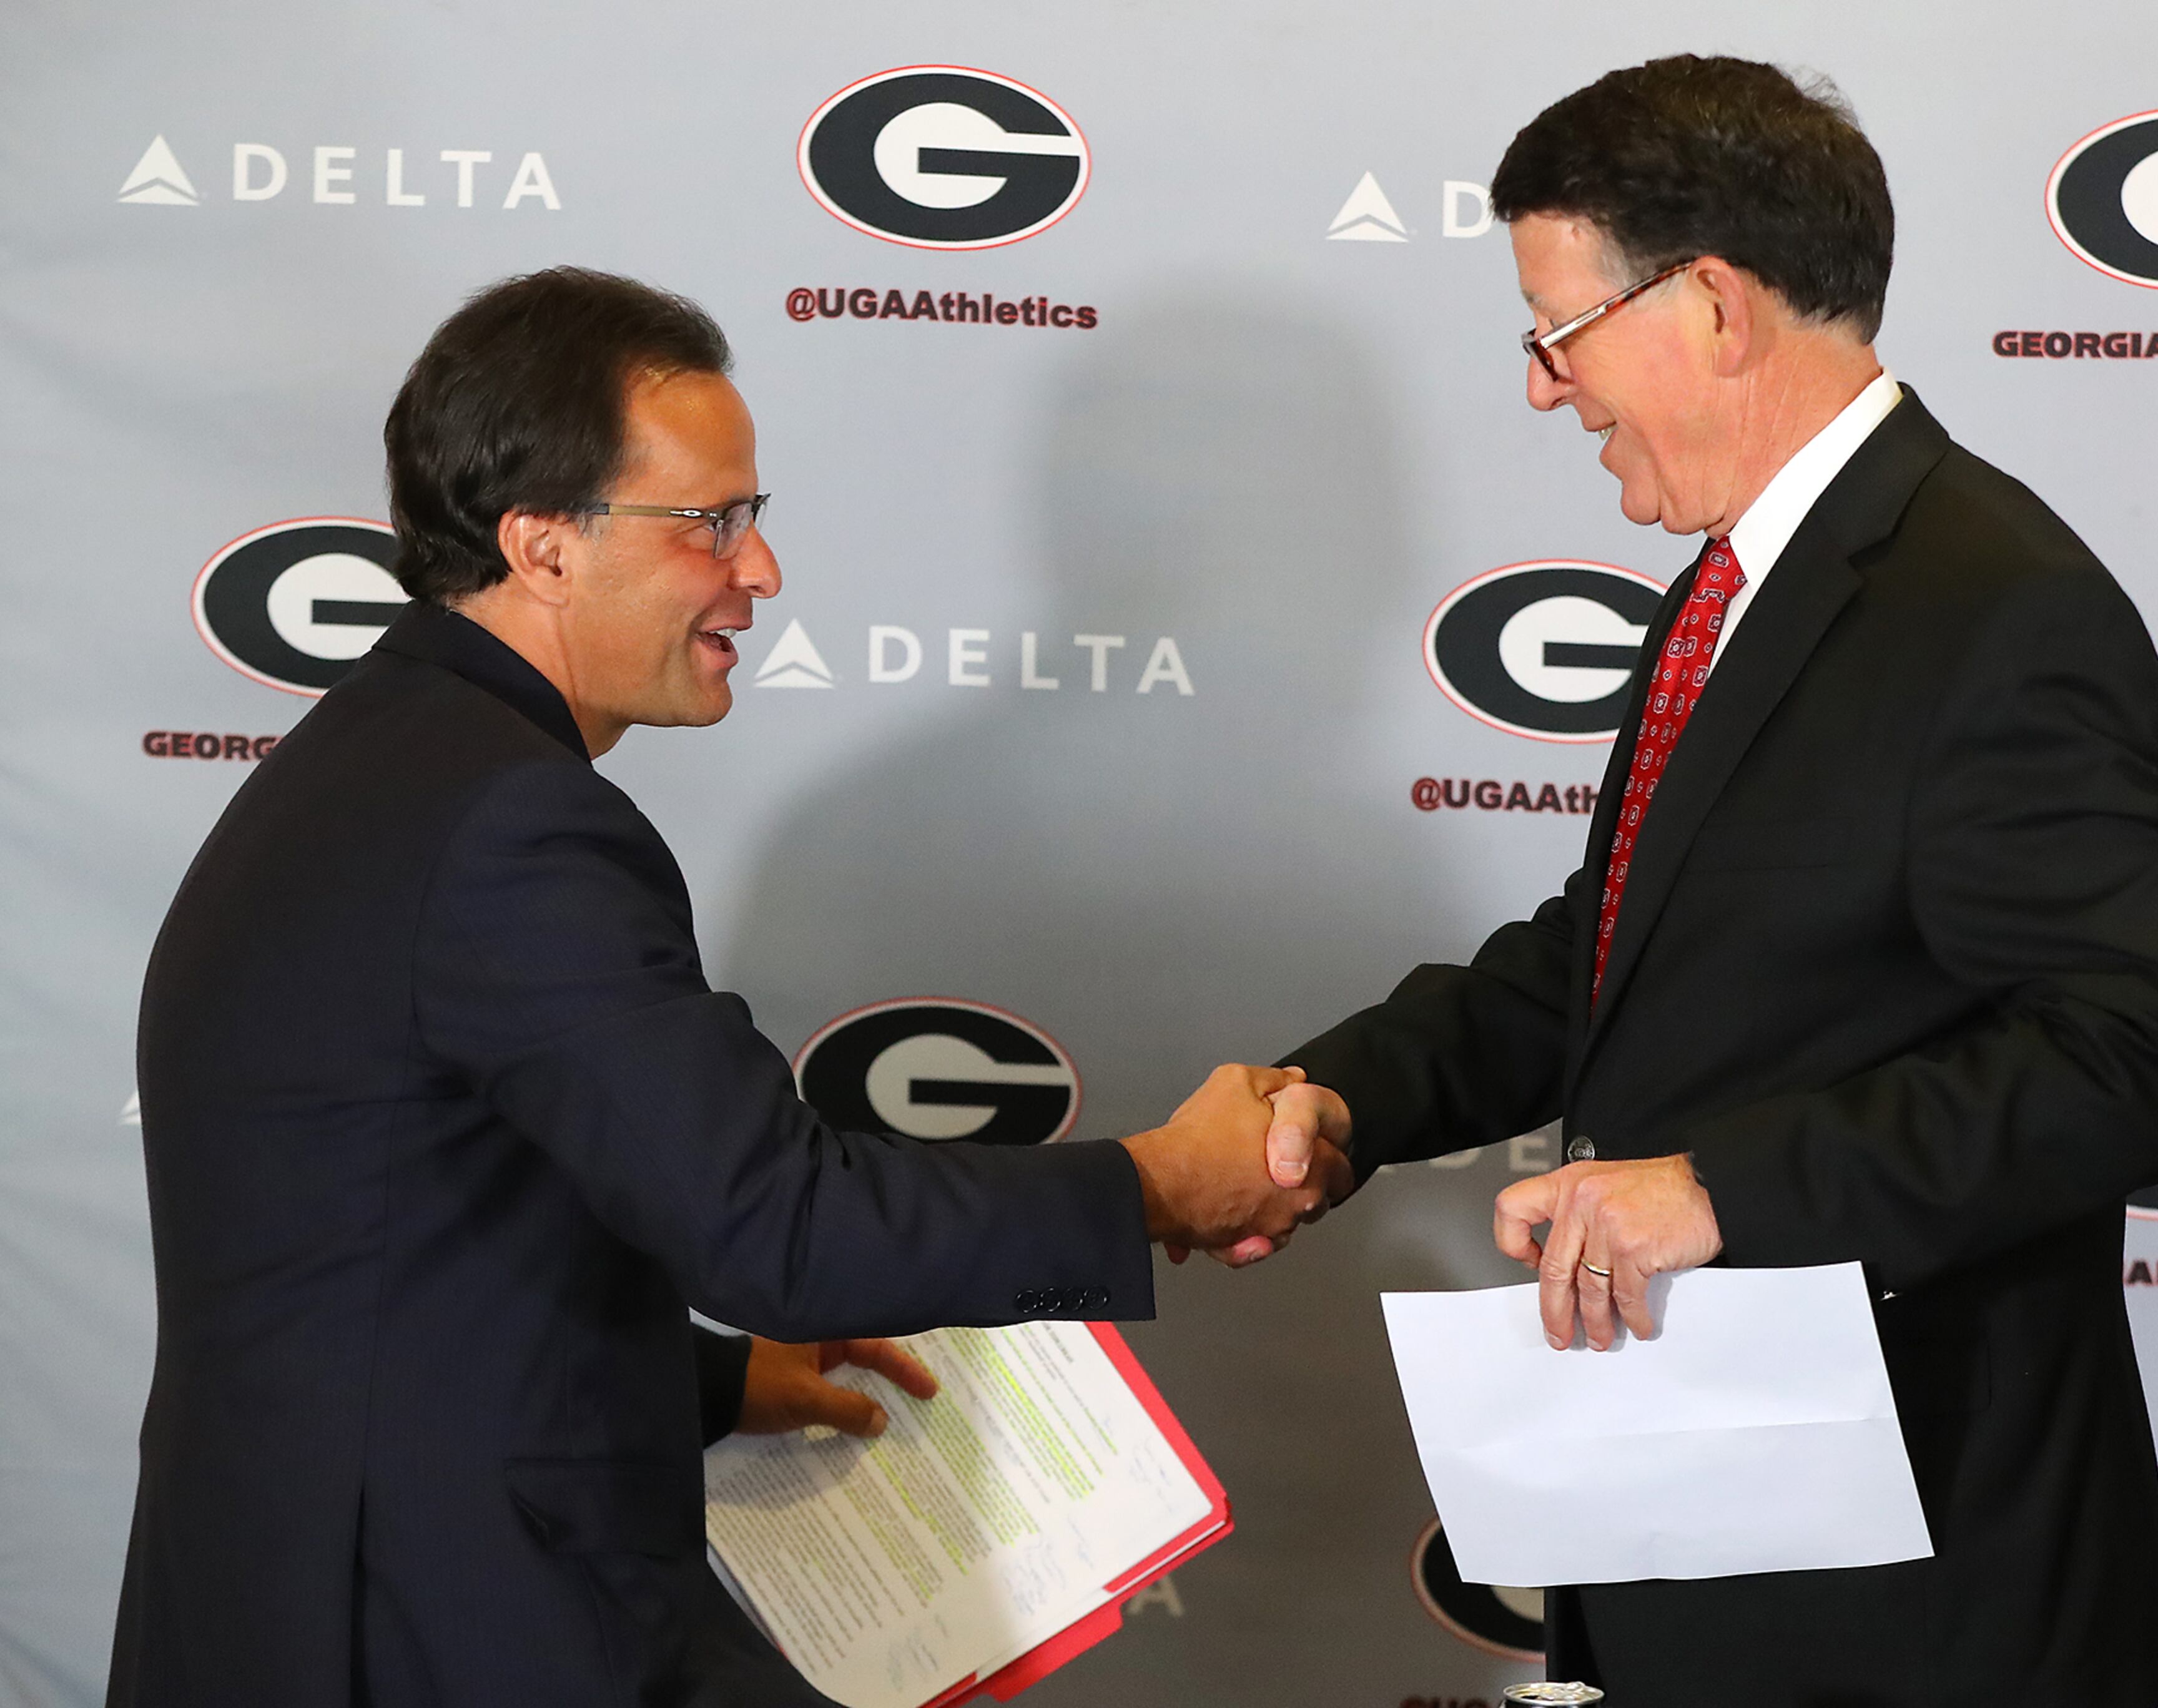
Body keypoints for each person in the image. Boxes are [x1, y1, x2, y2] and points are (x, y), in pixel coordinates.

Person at [108, 267, 1346, 1708]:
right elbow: (780, 1226)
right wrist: (1155, 1182)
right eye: (712, 522)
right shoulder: (511, 822)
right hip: (434, 1637)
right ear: (544, 548)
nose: (759, 574)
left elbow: (389, 1261)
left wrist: (711, 1384)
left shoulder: (380, 765)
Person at [1243, 56, 2158, 1708]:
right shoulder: (1736, 589)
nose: (1550, 390)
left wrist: (1719, 1190)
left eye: (1558, 334)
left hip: (1926, 1607)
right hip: (1727, 1557)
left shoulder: (1993, 606)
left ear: (1710, 304)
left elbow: (2135, 1060)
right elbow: (1619, 955)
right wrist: (1343, 1102)